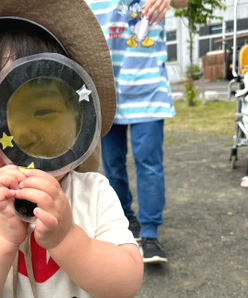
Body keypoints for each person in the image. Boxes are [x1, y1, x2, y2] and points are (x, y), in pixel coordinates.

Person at [0, 0, 144, 297]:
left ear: (78, 124)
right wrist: (0, 239)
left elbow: (126, 284)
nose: (19, 132)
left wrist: (67, 237)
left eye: (41, 112)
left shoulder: (93, 195)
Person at [86, 0, 188, 264]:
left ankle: (150, 233)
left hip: (149, 90)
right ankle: (125, 221)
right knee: (112, 165)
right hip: (107, 93)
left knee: (149, 164)